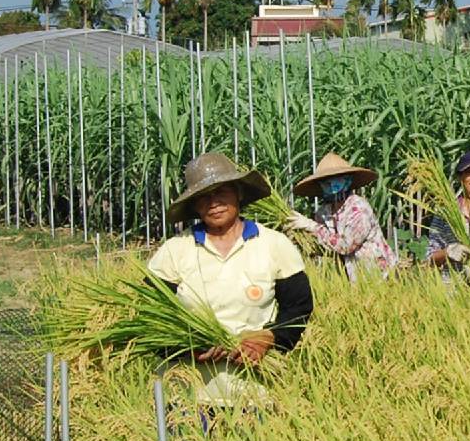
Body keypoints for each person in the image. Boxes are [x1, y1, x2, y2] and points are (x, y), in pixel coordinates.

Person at [148, 152, 315, 375]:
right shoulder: (175, 250)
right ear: (195, 205)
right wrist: (185, 346)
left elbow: (298, 307)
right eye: (204, 196)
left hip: (255, 390)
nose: (214, 202)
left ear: (238, 193)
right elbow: (150, 314)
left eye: (221, 192)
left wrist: (269, 338)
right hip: (188, 391)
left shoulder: (274, 244)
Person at [289, 153, 398, 282]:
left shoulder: (358, 209)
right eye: (326, 182)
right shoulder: (324, 212)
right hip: (352, 278)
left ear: (348, 180)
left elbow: (345, 246)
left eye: (336, 179)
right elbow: (324, 245)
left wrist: (311, 226)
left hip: (380, 276)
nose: (331, 185)